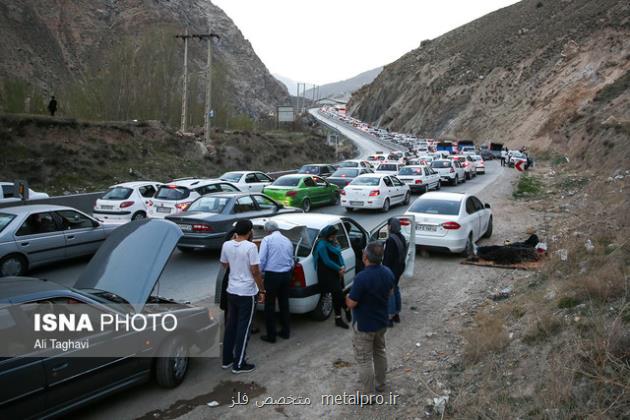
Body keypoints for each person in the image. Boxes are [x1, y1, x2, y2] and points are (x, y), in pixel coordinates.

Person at [346, 241, 395, 395]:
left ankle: (368, 394)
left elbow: (352, 303)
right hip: (381, 322)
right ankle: (381, 385)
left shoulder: (361, 278)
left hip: (364, 325)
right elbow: (390, 293)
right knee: (379, 352)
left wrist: (347, 297)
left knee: (364, 359)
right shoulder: (388, 272)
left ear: (366, 257)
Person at [220, 219, 265, 374]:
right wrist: (262, 290)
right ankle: (239, 364)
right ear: (250, 231)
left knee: (231, 325)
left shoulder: (227, 245)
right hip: (247, 292)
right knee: (244, 328)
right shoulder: (251, 247)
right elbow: (255, 271)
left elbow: (224, 264)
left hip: (231, 290)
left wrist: (237, 270)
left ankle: (227, 360)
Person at [259, 220, 294, 343]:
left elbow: (261, 259)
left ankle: (271, 335)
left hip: (272, 276)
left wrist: (259, 274)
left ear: (267, 230)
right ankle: (285, 332)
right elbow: (291, 260)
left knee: (269, 305)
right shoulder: (287, 240)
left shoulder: (267, 240)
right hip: (286, 275)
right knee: (284, 304)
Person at [313, 225, 349, 329]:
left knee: (338, 295)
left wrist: (343, 267)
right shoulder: (321, 245)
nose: (334, 237)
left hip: (336, 273)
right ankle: (346, 309)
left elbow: (339, 255)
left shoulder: (333, 243)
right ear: (327, 235)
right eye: (332, 235)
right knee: (338, 295)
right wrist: (339, 268)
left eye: (335, 235)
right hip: (326, 274)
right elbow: (326, 261)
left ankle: (339, 318)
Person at [383, 218, 407, 326]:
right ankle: (397, 313)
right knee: (395, 289)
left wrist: (384, 271)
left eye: (388, 225)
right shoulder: (401, 237)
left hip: (392, 269)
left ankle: (390, 316)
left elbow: (387, 259)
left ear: (391, 226)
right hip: (400, 267)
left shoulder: (391, 240)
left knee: (390, 292)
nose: (387, 227)